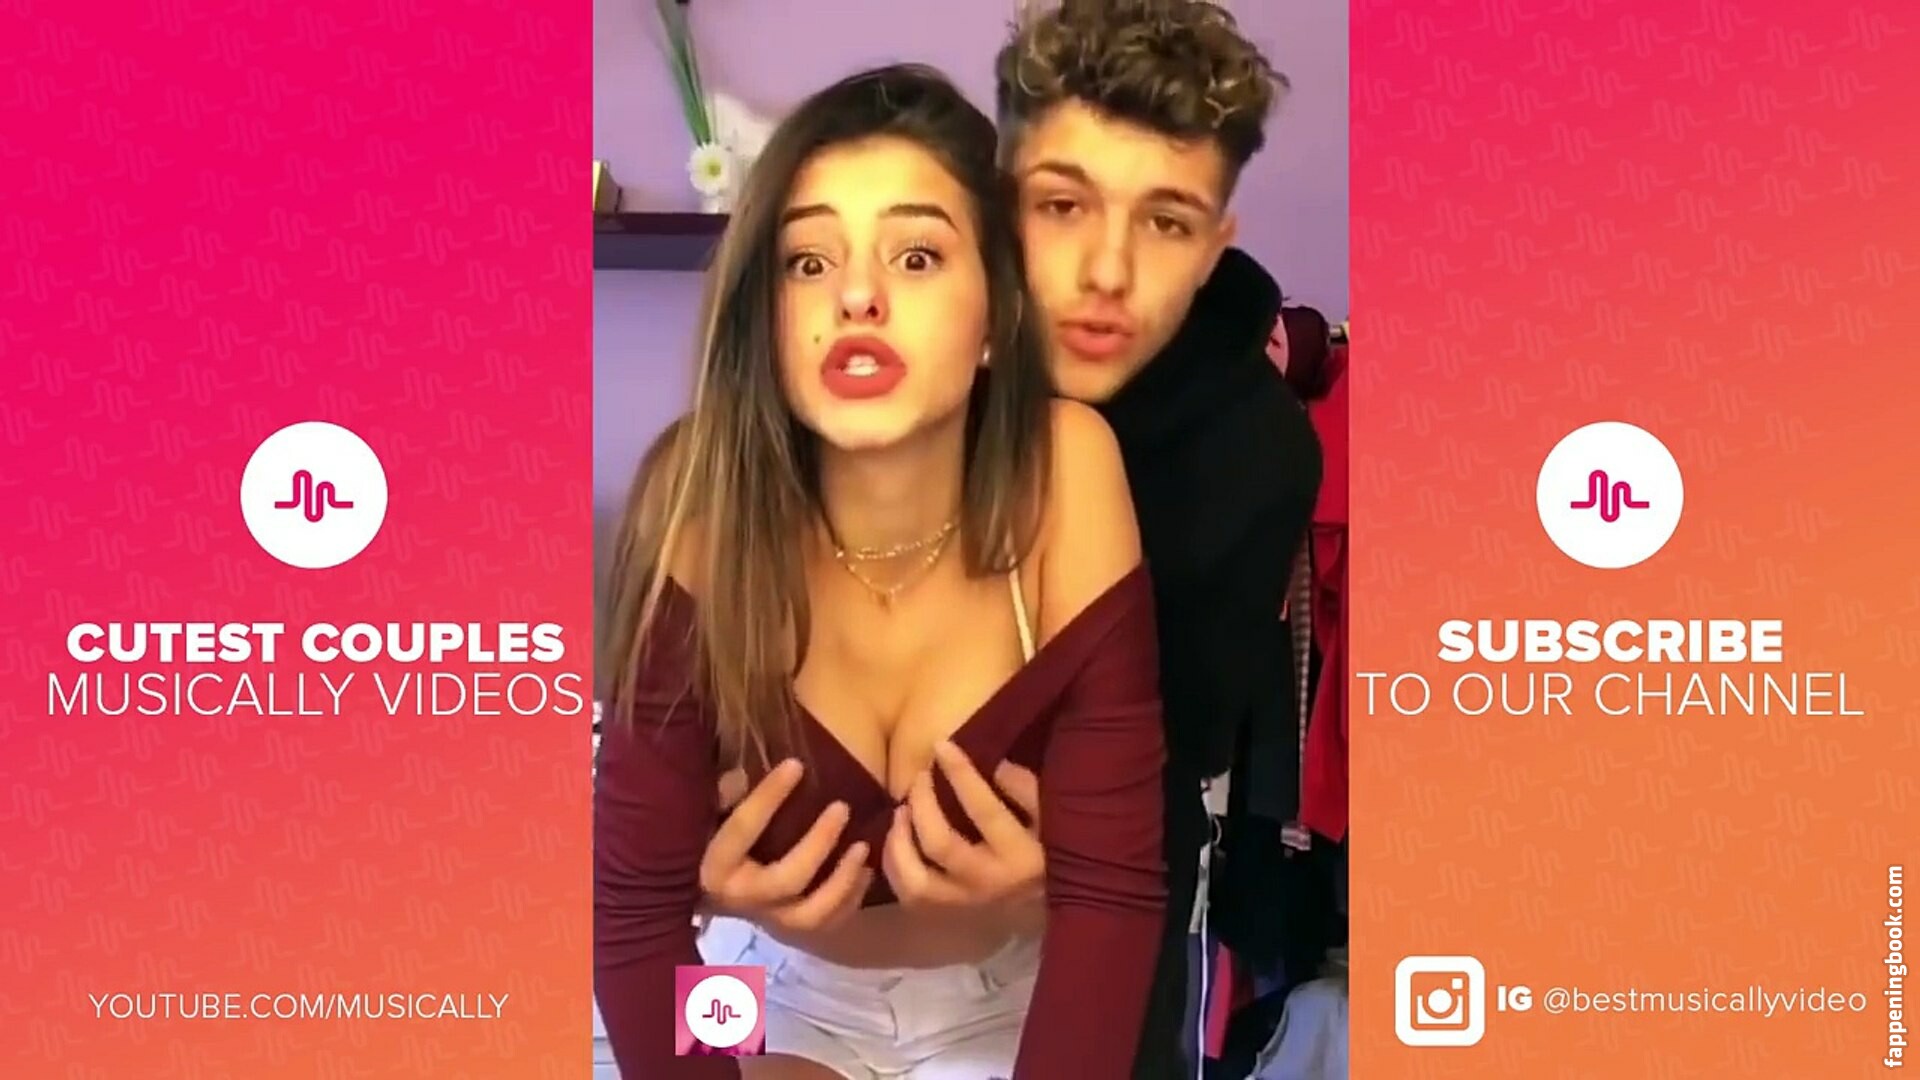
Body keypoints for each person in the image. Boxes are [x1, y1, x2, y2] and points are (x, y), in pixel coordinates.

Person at [694, 4, 1325, 1077]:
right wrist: (697, 890)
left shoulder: (1251, 457)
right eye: (1061, 206)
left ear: (1214, 242)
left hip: (1049, 950)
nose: (1105, 273)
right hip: (771, 962)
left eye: (1165, 222)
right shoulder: (838, 393)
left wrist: (1048, 888)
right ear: (994, 199)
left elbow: (1174, 772)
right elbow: (649, 857)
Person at [593, 64, 1170, 1080]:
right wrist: (706, 902)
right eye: (808, 262)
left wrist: (1035, 895)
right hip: (756, 983)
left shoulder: (1069, 469)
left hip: (1007, 998)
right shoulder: (697, 492)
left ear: (996, 315)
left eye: (915, 255)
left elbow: (1112, 900)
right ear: (766, 319)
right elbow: (635, 913)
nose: (856, 295)